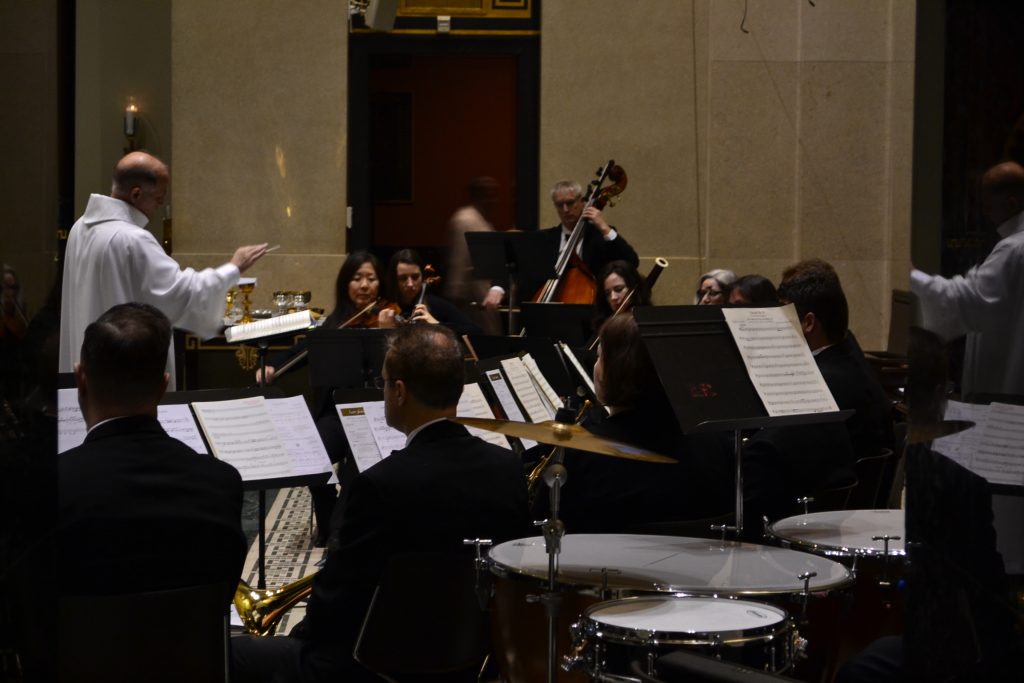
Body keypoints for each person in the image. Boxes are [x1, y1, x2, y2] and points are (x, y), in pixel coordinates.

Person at [230, 324, 531, 682]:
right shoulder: (508, 470)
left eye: (384, 383)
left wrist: (299, 641)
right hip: (469, 661)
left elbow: (336, 605)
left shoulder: (378, 485)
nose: (383, 391)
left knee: (230, 654)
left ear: (400, 392)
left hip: (374, 666)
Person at [57, 302, 245, 601]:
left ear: (81, 380)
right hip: (194, 648)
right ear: (163, 386)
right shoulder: (221, 482)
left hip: (79, 648)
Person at [59, 151, 268, 389]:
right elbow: (181, 292)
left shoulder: (79, 229)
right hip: (127, 375)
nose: (160, 206)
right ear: (136, 194)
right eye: (158, 199)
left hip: (91, 370)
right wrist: (234, 267)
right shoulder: (132, 239)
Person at [532, 315, 730, 533]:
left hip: (603, 564)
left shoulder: (580, 453)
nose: (596, 366)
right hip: (701, 566)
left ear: (614, 371)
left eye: (599, 357)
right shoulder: (717, 442)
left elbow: (540, 525)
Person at [258, 250, 389, 545]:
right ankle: (330, 522)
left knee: (359, 476)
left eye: (371, 278)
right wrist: (272, 367)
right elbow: (302, 351)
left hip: (377, 413)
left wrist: (392, 329)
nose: (364, 285)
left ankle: (350, 531)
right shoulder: (334, 323)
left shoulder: (388, 319)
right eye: (357, 278)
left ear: (381, 285)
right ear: (346, 284)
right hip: (336, 413)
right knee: (311, 460)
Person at [911, 160, 1024, 398]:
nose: (984, 212)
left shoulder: (1015, 249)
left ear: (1011, 202)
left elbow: (965, 301)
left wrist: (911, 276)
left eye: (988, 205)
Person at [483, 179, 639, 309]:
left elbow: (631, 261)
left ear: (583, 202)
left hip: (593, 311)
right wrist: (497, 289)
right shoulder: (545, 239)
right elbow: (513, 262)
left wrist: (604, 227)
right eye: (559, 205)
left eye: (570, 203)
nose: (565, 209)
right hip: (550, 308)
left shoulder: (599, 235)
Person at [380, 248, 480, 335]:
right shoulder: (385, 306)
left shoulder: (436, 305)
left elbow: (476, 331)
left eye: (415, 277)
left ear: (422, 277)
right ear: (394, 280)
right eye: (403, 278)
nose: (410, 284)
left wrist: (437, 325)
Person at [591, 259, 650, 332]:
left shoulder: (649, 320)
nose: (613, 297)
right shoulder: (604, 325)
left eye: (619, 289)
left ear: (634, 287)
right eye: (607, 293)